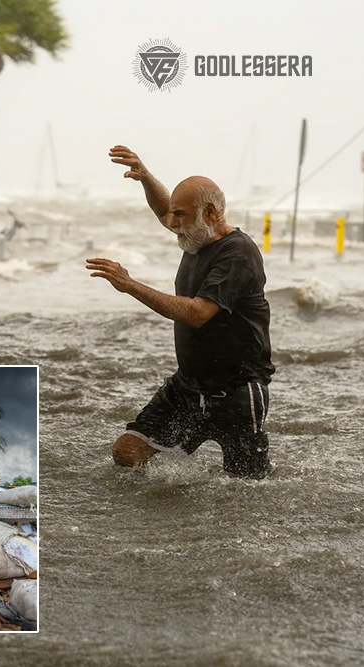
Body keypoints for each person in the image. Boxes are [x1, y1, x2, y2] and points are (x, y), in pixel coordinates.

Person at [86, 145, 275, 479]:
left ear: (212, 214)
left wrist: (131, 285)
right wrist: (145, 177)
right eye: (173, 215)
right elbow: (164, 211)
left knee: (246, 488)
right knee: (127, 452)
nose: (172, 223)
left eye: (181, 215)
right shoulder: (195, 236)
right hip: (188, 387)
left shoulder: (238, 254)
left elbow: (198, 313)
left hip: (237, 392)